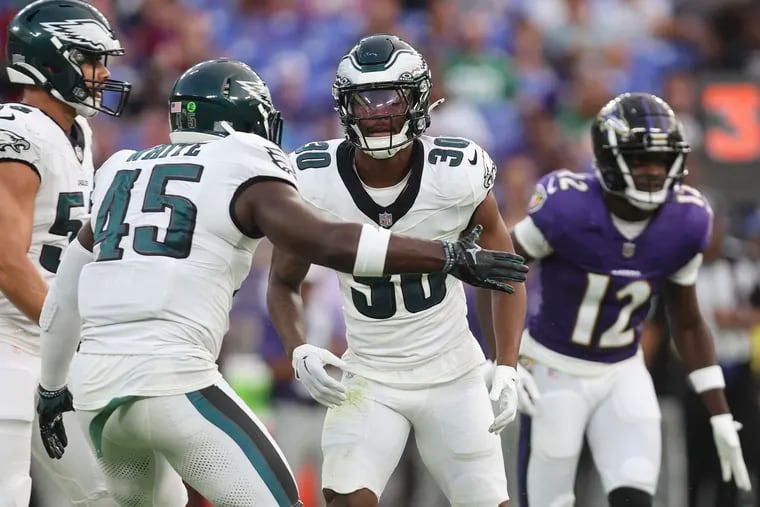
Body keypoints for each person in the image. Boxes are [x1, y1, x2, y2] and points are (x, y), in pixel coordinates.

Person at [34, 57, 528, 506]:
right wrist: (445, 256)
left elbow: (64, 295)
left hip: (97, 394)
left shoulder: (118, 167)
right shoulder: (245, 160)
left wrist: (51, 388)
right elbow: (325, 241)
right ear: (243, 121)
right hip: (178, 381)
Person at [266, 34, 527, 507]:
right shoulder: (314, 178)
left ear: (420, 100)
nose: (379, 112)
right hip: (369, 375)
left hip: (454, 374)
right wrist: (298, 347)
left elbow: (505, 273)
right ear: (345, 107)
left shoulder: (457, 172)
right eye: (364, 101)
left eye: (392, 98)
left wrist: (506, 364)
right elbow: (283, 281)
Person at [509, 92, 751, 507]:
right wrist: (503, 360)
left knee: (636, 497)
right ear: (608, 158)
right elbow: (499, 271)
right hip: (553, 368)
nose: (656, 171)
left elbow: (688, 321)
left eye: (663, 159)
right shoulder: (567, 206)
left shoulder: (687, 220)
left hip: (623, 370)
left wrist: (721, 412)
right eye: (643, 159)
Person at [0, 0, 131, 505]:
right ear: (49, 61)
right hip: (8, 341)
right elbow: (7, 260)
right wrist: (72, 337)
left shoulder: (78, 133)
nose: (103, 75)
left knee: (112, 493)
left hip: (46, 345)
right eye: (91, 60)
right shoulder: (19, 131)